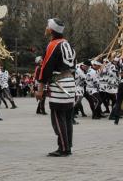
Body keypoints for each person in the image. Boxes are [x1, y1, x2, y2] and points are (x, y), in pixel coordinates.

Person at [35, 18, 76, 157]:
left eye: (47, 26)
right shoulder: (66, 43)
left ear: (51, 30)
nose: (46, 28)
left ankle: (63, 148)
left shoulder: (53, 44)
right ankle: (68, 145)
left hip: (59, 85)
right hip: (70, 82)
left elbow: (46, 68)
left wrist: (40, 89)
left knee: (58, 117)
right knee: (67, 117)